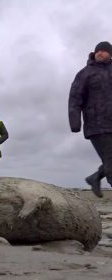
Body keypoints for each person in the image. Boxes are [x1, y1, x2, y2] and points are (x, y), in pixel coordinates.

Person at [69, 41, 112, 198]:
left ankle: (95, 178)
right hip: (97, 125)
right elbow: (75, 97)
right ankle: (96, 177)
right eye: (97, 51)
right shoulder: (85, 73)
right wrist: (75, 122)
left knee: (110, 162)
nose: (100, 53)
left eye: (104, 51)